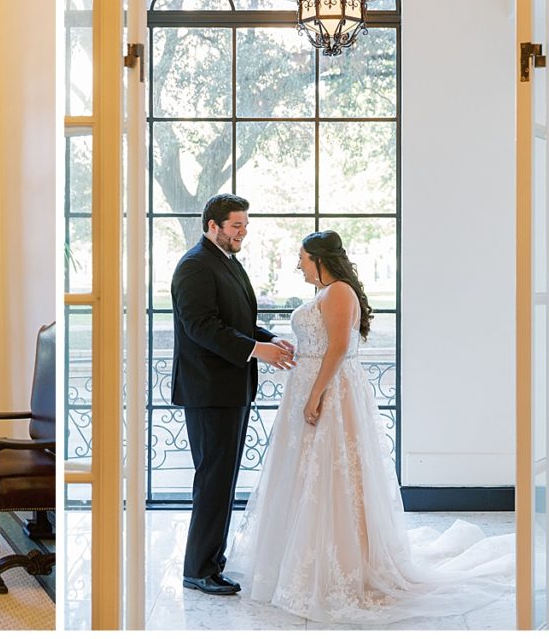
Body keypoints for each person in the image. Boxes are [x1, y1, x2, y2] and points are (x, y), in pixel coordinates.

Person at [225, 230, 513, 623]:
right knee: (304, 476)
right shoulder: (326, 292)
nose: (298, 265)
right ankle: (292, 562)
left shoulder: (339, 291)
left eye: (302, 258)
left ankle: (337, 564)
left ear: (320, 259)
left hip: (330, 392)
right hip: (310, 386)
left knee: (330, 476)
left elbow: (340, 347)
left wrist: (315, 394)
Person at [171, 193, 296, 596]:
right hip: (208, 391)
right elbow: (201, 327)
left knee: (222, 480)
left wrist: (267, 336)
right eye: (236, 226)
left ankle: (211, 561)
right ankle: (199, 569)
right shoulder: (194, 266)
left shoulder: (227, 262)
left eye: (245, 225)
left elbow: (237, 321)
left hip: (232, 388)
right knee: (213, 480)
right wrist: (257, 350)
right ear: (213, 225)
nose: (243, 232)